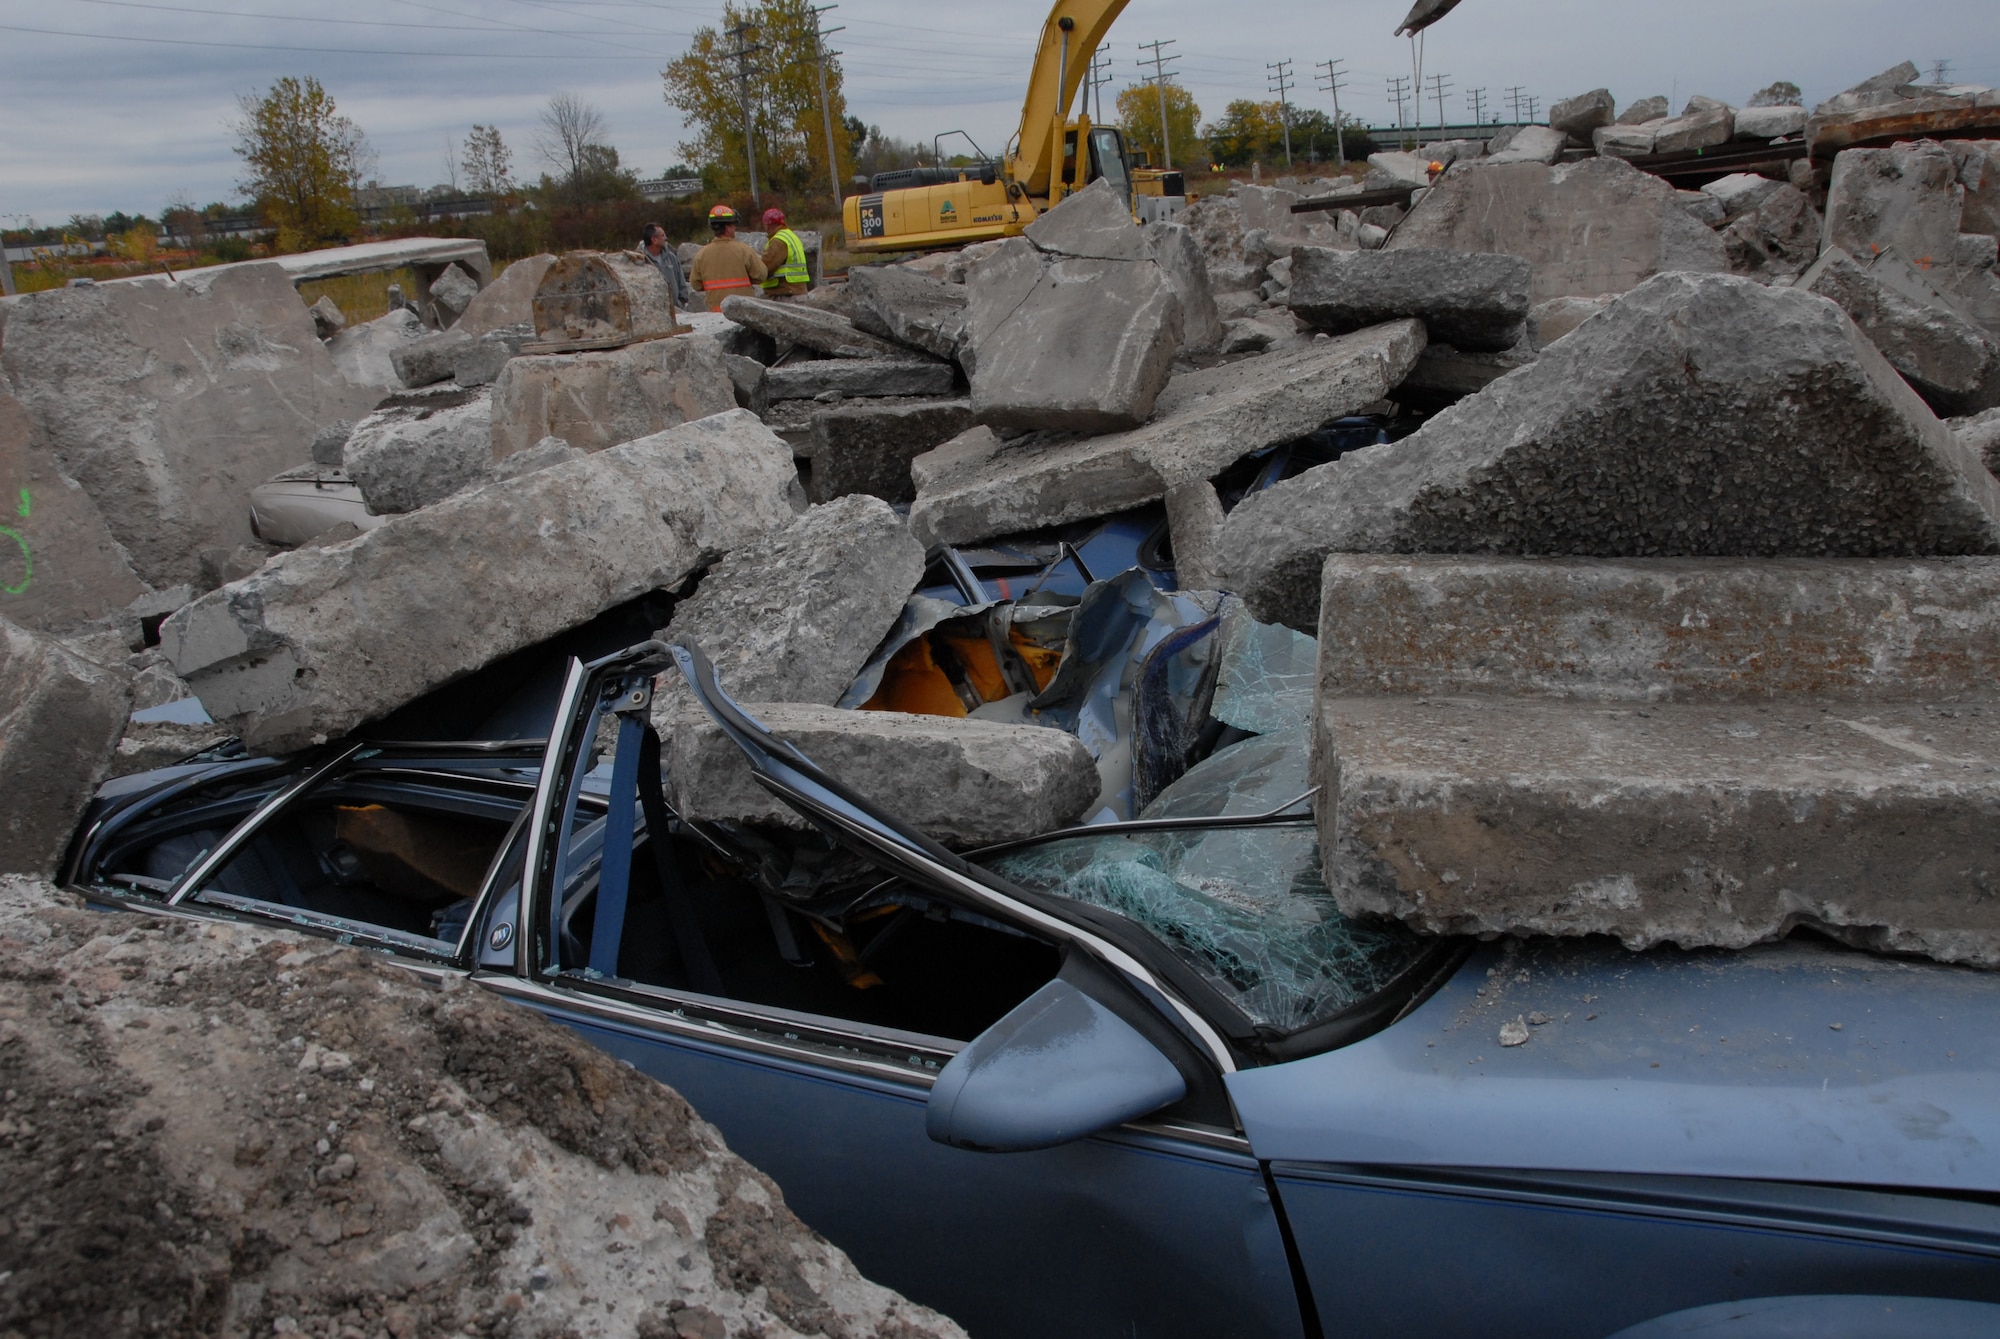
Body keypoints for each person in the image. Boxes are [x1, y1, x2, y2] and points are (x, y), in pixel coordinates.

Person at [688, 204, 767, 305]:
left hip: (715, 313)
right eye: (733, 225)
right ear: (728, 227)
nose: (735, 228)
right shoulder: (744, 250)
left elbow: (696, 284)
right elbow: (761, 275)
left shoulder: (701, 254)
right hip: (742, 310)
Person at [757, 207, 812, 300]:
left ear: (768, 224)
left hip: (785, 292)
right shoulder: (790, 235)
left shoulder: (778, 240)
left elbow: (766, 266)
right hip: (797, 291)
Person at [638, 222, 692, 309]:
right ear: (654, 240)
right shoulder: (641, 261)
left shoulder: (671, 258)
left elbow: (681, 281)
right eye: (662, 235)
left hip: (677, 310)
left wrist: (681, 302)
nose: (666, 238)